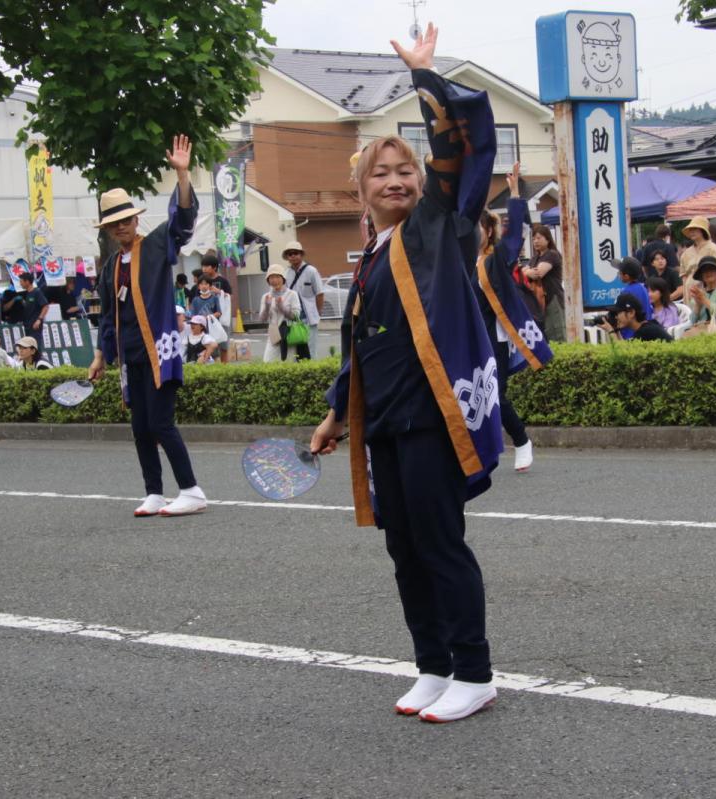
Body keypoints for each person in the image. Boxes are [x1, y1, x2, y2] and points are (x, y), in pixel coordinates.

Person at [310, 22, 501, 723]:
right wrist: (338, 413)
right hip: (385, 421)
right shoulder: (369, 257)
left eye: (405, 171)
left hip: (432, 417)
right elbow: (363, 347)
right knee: (405, 549)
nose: (395, 180)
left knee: (439, 544)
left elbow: (459, 153)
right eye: (380, 173)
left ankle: (474, 671)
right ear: (361, 190)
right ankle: (433, 665)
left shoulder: (438, 227)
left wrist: (425, 77)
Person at [89, 135, 207, 518]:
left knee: (161, 423)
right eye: (114, 223)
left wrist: (182, 174)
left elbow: (182, 222)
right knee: (140, 427)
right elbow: (107, 316)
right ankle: (154, 492)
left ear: (136, 219)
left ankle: (191, 490)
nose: (121, 227)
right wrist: (100, 356)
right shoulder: (110, 267)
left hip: (160, 351)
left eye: (126, 220)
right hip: (131, 357)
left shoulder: (156, 244)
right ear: (108, 230)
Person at [473, 164, 553, 473]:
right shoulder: (459, 263)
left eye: (478, 227)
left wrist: (516, 195)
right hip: (468, 338)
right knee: (471, 396)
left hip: (495, 337)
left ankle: (521, 440)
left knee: (496, 393)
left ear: (488, 231)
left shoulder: (496, 260)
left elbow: (513, 239)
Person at [522, 224, 565, 341]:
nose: (535, 241)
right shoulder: (535, 258)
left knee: (557, 336)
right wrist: (528, 272)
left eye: (539, 238)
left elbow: (538, 273)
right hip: (539, 303)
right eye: (533, 239)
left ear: (548, 239)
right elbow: (522, 272)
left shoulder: (552, 254)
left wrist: (527, 272)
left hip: (553, 300)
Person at [282, 241, 325, 359]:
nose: (293, 256)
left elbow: (320, 294)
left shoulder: (311, 271)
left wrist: (318, 312)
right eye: (290, 254)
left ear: (301, 254)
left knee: (310, 350)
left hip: (309, 318)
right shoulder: (286, 274)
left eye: (296, 253)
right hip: (293, 319)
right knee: (294, 352)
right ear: (287, 257)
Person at [683, 255, 716, 337]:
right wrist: (698, 305)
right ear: (701, 276)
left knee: (690, 336)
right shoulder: (700, 292)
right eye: (704, 271)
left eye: (711, 269)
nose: (708, 273)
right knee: (686, 334)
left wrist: (703, 299)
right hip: (701, 327)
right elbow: (692, 320)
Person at [259, 263, 302, 362]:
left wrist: (282, 308)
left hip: (288, 332)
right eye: (271, 278)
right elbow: (262, 319)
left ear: (283, 279)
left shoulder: (292, 294)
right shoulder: (266, 297)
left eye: (277, 277)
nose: (274, 280)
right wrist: (267, 306)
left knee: (288, 362)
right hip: (273, 332)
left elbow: (296, 316)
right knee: (268, 362)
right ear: (268, 280)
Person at [600, 292, 672, 342]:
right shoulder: (648, 327)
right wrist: (616, 331)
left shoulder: (646, 332)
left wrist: (610, 331)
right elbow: (624, 348)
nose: (616, 317)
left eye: (617, 313)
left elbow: (622, 354)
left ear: (631, 313)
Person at [678, 216, 716, 284]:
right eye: (690, 229)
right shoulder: (686, 253)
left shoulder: (713, 249)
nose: (692, 232)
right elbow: (683, 274)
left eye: (695, 229)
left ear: (702, 230)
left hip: (708, 287)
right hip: (689, 288)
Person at [614, 258, 653, 339]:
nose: (618, 274)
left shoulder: (626, 292)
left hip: (631, 335)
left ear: (626, 276)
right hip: (646, 331)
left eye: (620, 272)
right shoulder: (642, 287)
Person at [16, 272, 50, 348]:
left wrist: (39, 320)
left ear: (27, 282)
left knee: (35, 346)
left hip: (35, 325)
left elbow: (45, 306)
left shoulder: (37, 292)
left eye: (21, 281)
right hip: (27, 325)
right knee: (29, 347)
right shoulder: (27, 294)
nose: (20, 284)